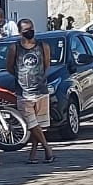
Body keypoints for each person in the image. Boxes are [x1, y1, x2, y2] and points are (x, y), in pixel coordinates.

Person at [11, 20, 54, 164]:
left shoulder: (43, 46)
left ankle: (33, 154)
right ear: (20, 32)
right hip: (23, 93)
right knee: (31, 123)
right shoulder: (15, 48)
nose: (29, 31)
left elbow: (46, 64)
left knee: (39, 125)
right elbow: (9, 67)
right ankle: (47, 148)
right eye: (26, 30)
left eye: (31, 28)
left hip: (41, 90)